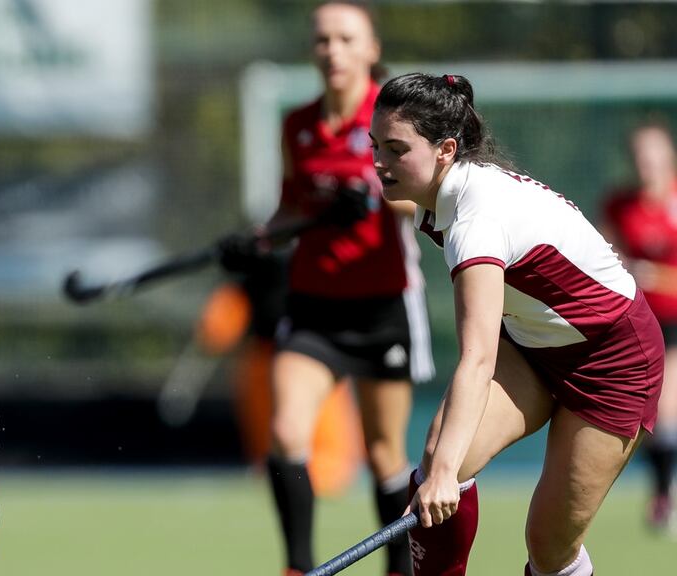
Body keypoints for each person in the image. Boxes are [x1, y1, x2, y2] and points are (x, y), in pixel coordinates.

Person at [371, 72, 664, 575]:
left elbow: (478, 357)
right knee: (445, 455)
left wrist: (438, 477)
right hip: (535, 343)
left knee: (548, 546)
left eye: (396, 150)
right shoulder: (448, 187)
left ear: (444, 149)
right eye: (375, 145)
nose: (379, 162)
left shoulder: (475, 223)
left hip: (612, 362)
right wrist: (441, 471)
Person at [225, 3, 434, 575]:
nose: (332, 50)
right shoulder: (298, 124)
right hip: (313, 305)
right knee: (288, 430)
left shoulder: (397, 121)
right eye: (322, 40)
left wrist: (378, 194)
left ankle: (400, 568)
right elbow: (291, 209)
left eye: (346, 39)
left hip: (383, 305)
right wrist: (256, 241)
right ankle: (297, 567)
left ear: (370, 49)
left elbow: (426, 202)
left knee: (385, 454)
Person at [600, 121, 677, 534]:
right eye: (640, 158)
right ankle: (663, 492)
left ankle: (663, 499)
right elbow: (602, 256)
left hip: (676, 322)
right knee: (648, 415)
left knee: (665, 409)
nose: (647, 165)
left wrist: (657, 277)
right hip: (637, 323)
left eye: (655, 156)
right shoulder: (618, 205)